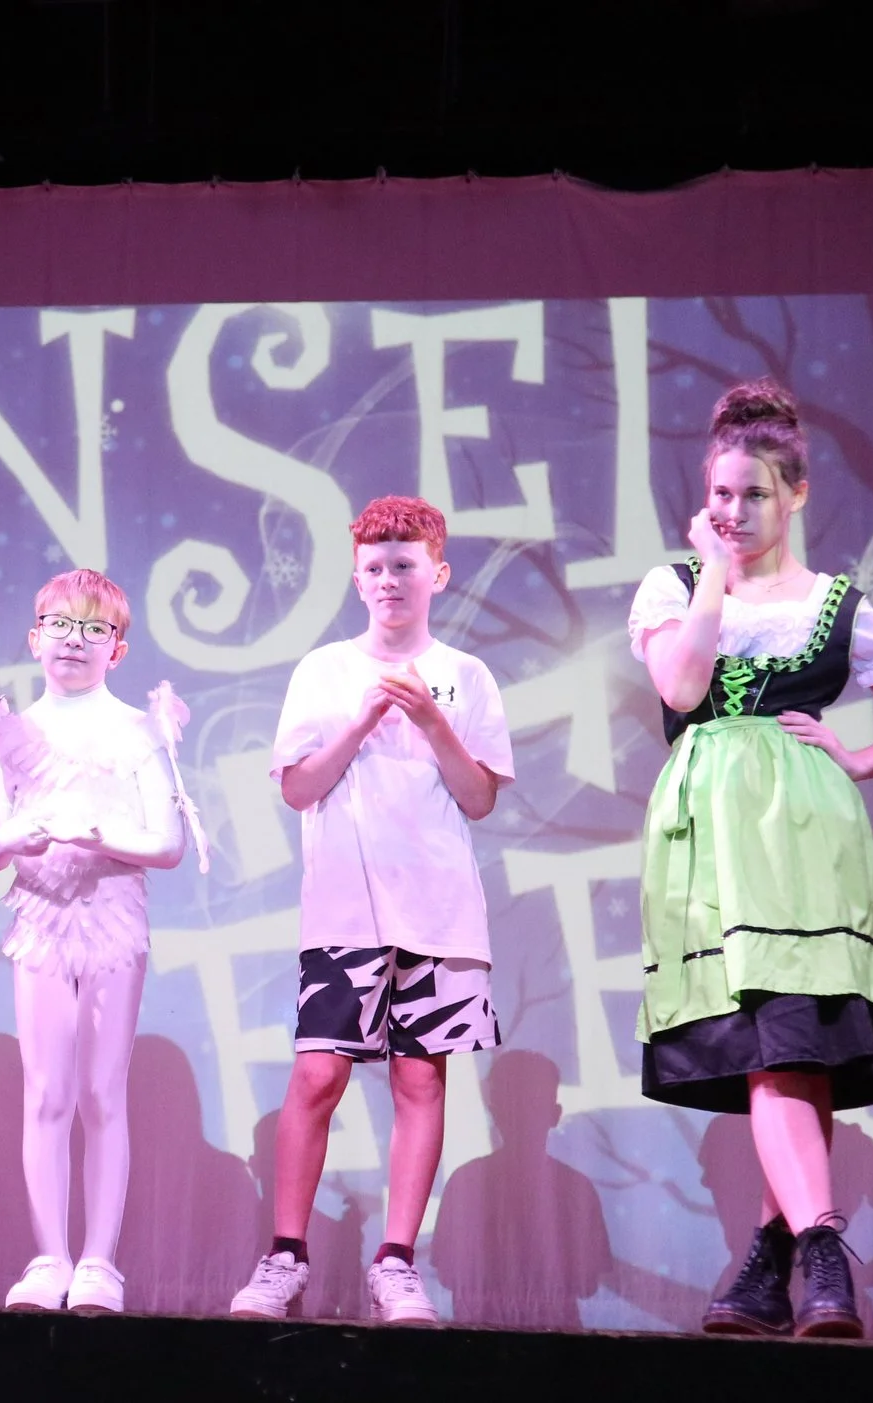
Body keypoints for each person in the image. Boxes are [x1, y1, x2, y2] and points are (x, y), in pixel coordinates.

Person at [630, 380, 873, 1339]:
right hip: (710, 838)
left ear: (795, 496)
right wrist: (711, 573)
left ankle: (801, 1251)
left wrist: (860, 757)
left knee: (799, 1041)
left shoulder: (836, 605)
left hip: (808, 837)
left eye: (751, 495)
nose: (731, 513)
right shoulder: (672, 584)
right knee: (776, 1043)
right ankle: (791, 1257)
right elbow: (683, 682)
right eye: (719, 496)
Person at [228, 495, 512, 1324]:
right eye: (376, 568)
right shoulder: (324, 669)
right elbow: (298, 788)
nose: (390, 579)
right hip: (346, 911)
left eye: (406, 565)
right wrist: (361, 721)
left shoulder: (469, 674)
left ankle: (397, 1261)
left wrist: (431, 720)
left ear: (438, 573)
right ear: (357, 578)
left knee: (422, 1078)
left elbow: (479, 798)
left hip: (441, 910)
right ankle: (285, 1254)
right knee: (317, 1073)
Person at [0, 568, 201, 1313]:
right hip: (40, 920)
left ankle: (99, 1261)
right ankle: (50, 1254)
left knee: (101, 1091)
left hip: (114, 920)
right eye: (60, 625)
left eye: (93, 630)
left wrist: (101, 833)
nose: (74, 642)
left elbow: (169, 840)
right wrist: (16, 834)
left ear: (117, 648)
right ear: (35, 637)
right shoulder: (9, 729)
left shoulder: (139, 729)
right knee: (47, 1092)